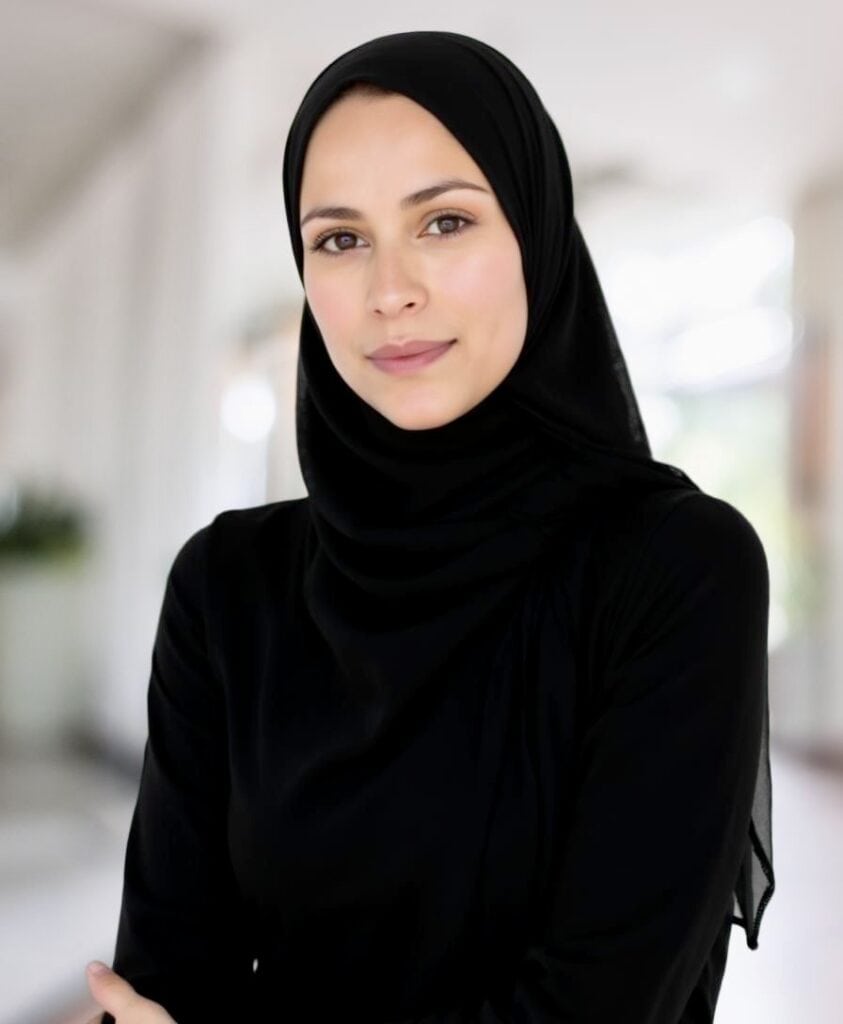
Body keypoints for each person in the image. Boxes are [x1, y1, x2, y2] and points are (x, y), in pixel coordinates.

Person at [85, 30, 774, 1024]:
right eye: (340, 239)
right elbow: (156, 987)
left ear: (535, 235)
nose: (390, 290)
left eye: (444, 222)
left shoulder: (676, 569)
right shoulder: (227, 585)